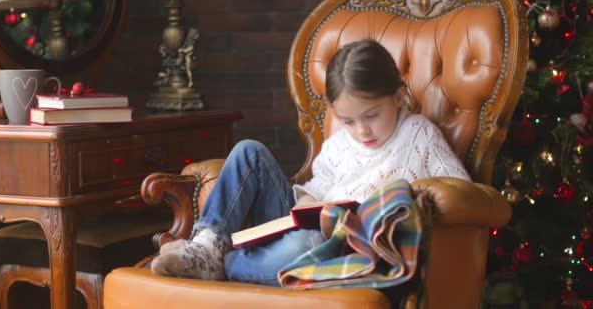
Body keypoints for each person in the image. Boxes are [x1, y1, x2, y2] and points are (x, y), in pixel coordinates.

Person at [150, 39, 471, 286]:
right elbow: (314, 191)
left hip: (348, 248)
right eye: (348, 121)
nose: (362, 131)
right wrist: (309, 202)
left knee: (307, 242)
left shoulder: (419, 135)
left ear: (399, 97)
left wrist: (410, 202)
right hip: (308, 228)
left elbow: (461, 190)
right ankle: (208, 245)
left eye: (372, 116)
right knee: (250, 151)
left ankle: (224, 264)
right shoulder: (339, 145)